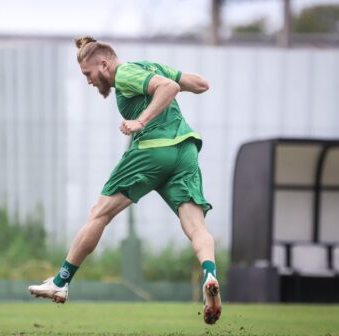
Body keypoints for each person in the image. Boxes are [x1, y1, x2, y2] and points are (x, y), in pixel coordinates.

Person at [28, 36, 222, 324]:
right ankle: (210, 274)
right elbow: (200, 84)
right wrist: (167, 78)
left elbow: (169, 87)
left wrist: (141, 121)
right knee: (195, 226)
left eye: (88, 74)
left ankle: (60, 281)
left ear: (104, 64)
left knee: (99, 213)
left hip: (153, 151)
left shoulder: (126, 73)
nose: (89, 81)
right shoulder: (150, 67)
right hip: (186, 151)